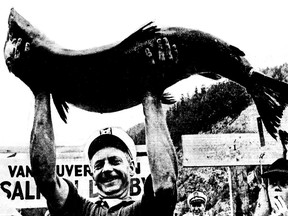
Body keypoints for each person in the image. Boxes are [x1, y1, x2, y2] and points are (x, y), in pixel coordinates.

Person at [6, 35, 179, 216]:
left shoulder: (144, 211)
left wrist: (151, 95)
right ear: (91, 175)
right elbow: (46, 181)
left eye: (114, 161)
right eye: (98, 165)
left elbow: (165, 184)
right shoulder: (80, 211)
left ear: (132, 167)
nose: (107, 169)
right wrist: (40, 91)